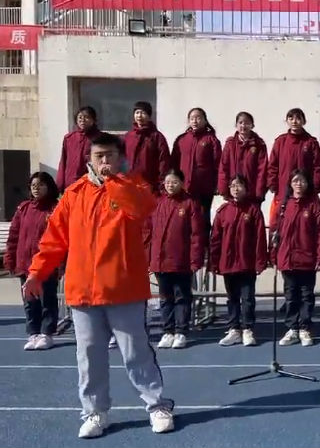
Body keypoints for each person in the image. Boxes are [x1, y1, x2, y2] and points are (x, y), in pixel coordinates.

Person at [24, 132, 175, 438]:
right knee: (90, 357)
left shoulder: (133, 186)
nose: (104, 161)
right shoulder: (74, 193)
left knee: (136, 353)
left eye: (110, 155)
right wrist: (37, 272)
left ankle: (157, 405)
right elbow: (54, 239)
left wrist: (114, 181)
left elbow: (141, 208)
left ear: (121, 158)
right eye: (98, 156)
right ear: (89, 159)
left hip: (124, 289)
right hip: (83, 291)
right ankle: (95, 412)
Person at [209, 175, 268, 347]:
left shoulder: (253, 210)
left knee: (247, 298)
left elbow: (260, 238)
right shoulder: (222, 211)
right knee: (232, 298)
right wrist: (214, 262)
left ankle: (248, 329)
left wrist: (260, 261)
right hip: (228, 263)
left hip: (247, 263)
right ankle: (234, 329)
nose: (236, 189)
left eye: (239, 185)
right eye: (233, 185)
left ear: (246, 188)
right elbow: (216, 239)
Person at [149, 169, 204, 350]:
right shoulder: (158, 202)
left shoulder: (190, 203)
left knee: (182, 297)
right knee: (165, 298)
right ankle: (168, 331)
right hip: (160, 261)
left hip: (181, 261)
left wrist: (195, 259)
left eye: (174, 182)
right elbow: (150, 231)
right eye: (167, 182)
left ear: (181, 182)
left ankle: (181, 331)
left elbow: (196, 234)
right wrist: (150, 257)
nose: (170, 185)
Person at [273, 170, 320, 347]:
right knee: (291, 296)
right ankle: (292, 328)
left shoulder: (314, 206)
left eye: (302, 181)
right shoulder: (283, 206)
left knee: (306, 296)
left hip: (307, 259)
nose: (299, 184)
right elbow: (275, 232)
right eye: (295, 181)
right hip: (287, 259)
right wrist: (274, 255)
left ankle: (305, 327)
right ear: (290, 184)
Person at [4, 172, 59, 350]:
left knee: (47, 299)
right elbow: (14, 236)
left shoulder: (55, 208)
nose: (36, 188)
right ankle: (33, 333)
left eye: (41, 185)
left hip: (46, 264)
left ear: (49, 187)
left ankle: (47, 333)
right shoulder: (23, 208)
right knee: (29, 301)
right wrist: (10, 259)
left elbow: (61, 237)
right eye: (33, 185)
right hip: (24, 263)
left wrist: (60, 264)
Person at [267, 108, 320, 223]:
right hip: (283, 189)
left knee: (305, 222)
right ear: (287, 121)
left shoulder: (311, 142)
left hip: (305, 190)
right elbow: (273, 165)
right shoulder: (280, 141)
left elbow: (317, 167)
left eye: (298, 118)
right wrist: (272, 184)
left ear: (304, 121)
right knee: (281, 222)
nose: (294, 121)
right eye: (291, 118)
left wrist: (315, 186)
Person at [171, 107, 222, 228]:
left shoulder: (211, 140)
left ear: (205, 120)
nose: (195, 121)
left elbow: (219, 165)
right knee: (184, 219)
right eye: (192, 118)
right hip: (184, 188)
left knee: (202, 219)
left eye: (198, 118)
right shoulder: (182, 139)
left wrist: (217, 184)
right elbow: (174, 163)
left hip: (204, 189)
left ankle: (204, 240)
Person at [218, 112, 268, 205]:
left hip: (252, 191)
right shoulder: (230, 144)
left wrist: (259, 191)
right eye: (240, 123)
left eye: (247, 123)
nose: (243, 126)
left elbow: (262, 169)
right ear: (236, 125)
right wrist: (223, 188)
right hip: (234, 191)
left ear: (252, 125)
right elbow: (224, 166)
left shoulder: (259, 144)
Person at [123, 101, 171, 194]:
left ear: (149, 116)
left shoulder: (157, 137)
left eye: (143, 113)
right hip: (130, 182)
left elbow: (164, 161)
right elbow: (121, 158)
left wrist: (161, 182)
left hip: (149, 183)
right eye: (137, 112)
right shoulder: (128, 136)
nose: (139, 116)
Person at [57, 106, 100, 191]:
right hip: (71, 182)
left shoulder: (100, 138)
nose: (82, 120)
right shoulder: (69, 138)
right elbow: (63, 161)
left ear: (94, 120)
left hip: (92, 182)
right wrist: (60, 184)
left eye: (86, 117)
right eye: (80, 117)